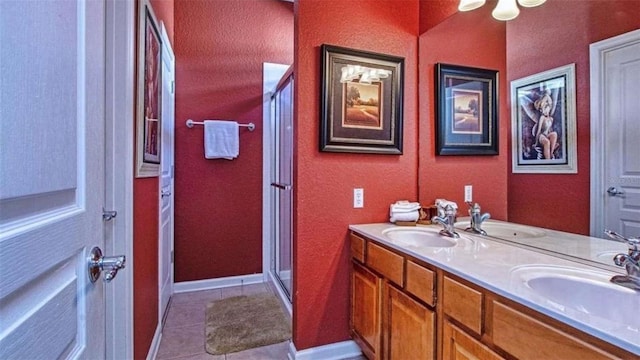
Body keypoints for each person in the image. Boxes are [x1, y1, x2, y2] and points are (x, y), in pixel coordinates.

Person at [532, 90, 558, 159]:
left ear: (549, 108)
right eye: (543, 109)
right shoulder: (542, 118)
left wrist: (552, 138)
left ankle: (551, 153)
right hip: (541, 136)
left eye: (547, 108)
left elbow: (550, 130)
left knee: (554, 134)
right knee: (547, 142)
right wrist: (536, 142)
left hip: (547, 135)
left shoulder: (551, 119)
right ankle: (548, 159)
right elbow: (538, 130)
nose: (545, 111)